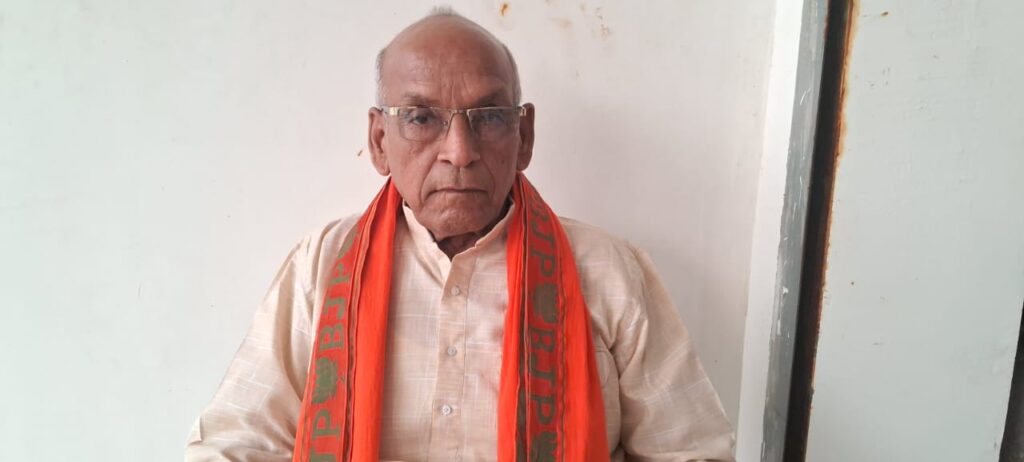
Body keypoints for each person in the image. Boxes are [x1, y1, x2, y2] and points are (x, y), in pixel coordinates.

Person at [186, 8, 734, 462]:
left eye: (489, 116)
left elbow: (691, 451)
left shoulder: (608, 272)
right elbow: (236, 445)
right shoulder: (322, 265)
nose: (460, 151)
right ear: (379, 141)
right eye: (421, 118)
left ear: (524, 136)